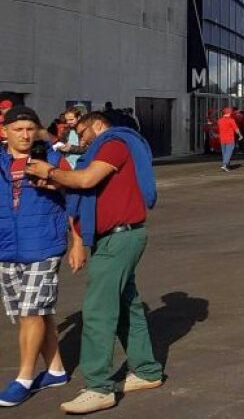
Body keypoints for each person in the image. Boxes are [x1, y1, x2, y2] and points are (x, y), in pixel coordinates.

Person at [24, 111, 162, 414]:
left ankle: (98, 387)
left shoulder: (112, 143)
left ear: (98, 125)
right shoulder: (108, 147)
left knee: (98, 312)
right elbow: (87, 186)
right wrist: (57, 182)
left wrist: (50, 171)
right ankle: (146, 370)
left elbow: (86, 179)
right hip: (120, 237)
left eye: (83, 132)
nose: (81, 139)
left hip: (117, 238)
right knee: (127, 307)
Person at [0, 107, 74, 408]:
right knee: (35, 313)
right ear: (5, 132)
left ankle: (24, 378)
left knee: (31, 312)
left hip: (44, 245)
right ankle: (56, 371)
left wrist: (78, 243)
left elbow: (75, 198)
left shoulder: (52, 161)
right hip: (7, 248)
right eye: (18, 129)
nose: (25, 135)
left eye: (30, 129)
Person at [216, 107, 242, 173]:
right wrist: (240, 135)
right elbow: (236, 129)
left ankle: (226, 165)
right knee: (229, 152)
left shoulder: (219, 120)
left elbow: (218, 129)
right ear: (229, 113)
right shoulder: (231, 120)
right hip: (230, 139)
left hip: (222, 139)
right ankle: (225, 165)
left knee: (224, 153)